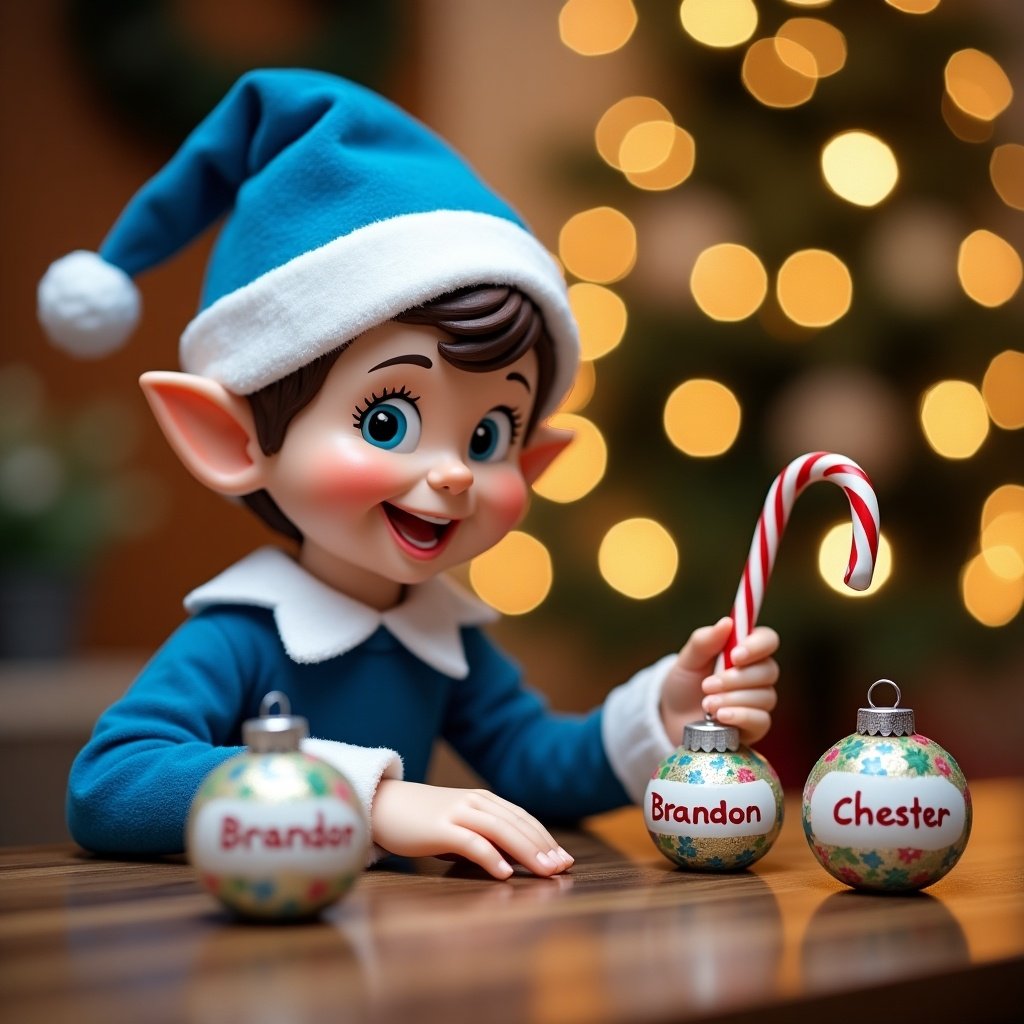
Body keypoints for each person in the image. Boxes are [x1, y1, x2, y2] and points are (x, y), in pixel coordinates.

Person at [38, 69, 779, 879]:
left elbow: (533, 762)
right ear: (229, 436)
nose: (457, 474)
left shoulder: (440, 634)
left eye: (491, 435)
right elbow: (111, 784)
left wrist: (662, 716)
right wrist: (366, 797)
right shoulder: (243, 636)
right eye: (387, 420)